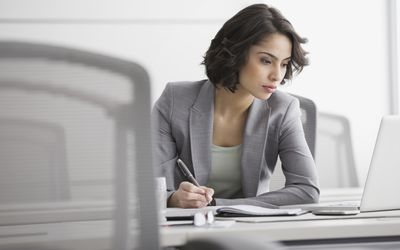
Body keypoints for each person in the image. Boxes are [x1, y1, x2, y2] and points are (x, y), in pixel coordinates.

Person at [152, 3, 319, 208]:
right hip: (185, 227)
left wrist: (218, 206)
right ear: (235, 53)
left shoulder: (283, 109)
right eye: (266, 61)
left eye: (284, 64)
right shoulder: (175, 100)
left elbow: (307, 190)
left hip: (250, 227)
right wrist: (173, 198)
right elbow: (153, 187)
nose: (277, 75)